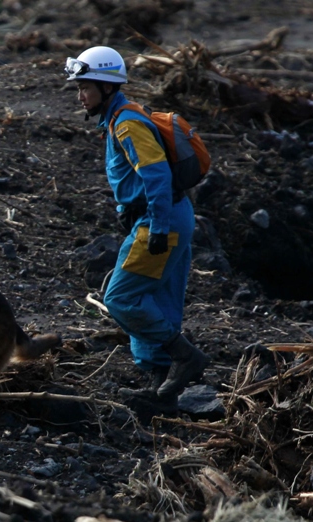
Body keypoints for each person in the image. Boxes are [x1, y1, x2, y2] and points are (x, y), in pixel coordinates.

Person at [64, 46, 209, 411]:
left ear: (107, 87)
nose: (80, 96)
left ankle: (185, 356)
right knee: (156, 298)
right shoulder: (119, 119)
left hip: (162, 219)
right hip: (171, 216)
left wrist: (157, 227)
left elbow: (156, 173)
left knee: (121, 298)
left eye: (85, 87)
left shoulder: (127, 122)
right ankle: (162, 390)